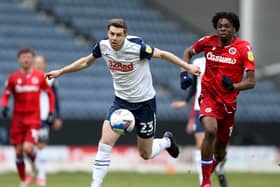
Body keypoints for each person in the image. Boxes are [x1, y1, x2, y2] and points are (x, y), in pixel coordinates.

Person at [45, 18, 200, 187]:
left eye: (118, 35)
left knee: (145, 154)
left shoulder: (137, 47)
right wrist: (61, 71)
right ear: (108, 33)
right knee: (104, 144)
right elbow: (85, 61)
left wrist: (188, 67)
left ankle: (167, 141)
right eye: (111, 34)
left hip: (145, 104)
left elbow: (162, 54)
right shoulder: (103, 46)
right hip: (121, 103)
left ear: (125, 35)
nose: (114, 38)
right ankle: (95, 185)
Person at [182, 12, 256, 187]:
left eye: (227, 26)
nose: (222, 29)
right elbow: (188, 52)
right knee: (210, 130)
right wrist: (184, 73)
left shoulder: (244, 48)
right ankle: (206, 181)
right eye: (220, 26)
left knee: (221, 152)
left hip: (228, 105)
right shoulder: (207, 41)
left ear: (234, 29)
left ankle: (216, 167)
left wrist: (234, 86)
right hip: (208, 97)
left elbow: (251, 82)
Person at [1, 48, 55, 187]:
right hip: (17, 119)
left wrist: (50, 111)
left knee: (28, 149)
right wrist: (5, 105)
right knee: (18, 152)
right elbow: (6, 94)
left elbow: (50, 94)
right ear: (19, 59)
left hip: (33, 118)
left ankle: (35, 166)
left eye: (29, 57)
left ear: (32, 60)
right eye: (23, 57)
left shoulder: (39, 77)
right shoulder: (13, 77)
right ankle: (24, 179)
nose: (26, 60)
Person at [171, 57, 228, 187]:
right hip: (200, 107)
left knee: (218, 149)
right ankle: (203, 181)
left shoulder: (226, 60)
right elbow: (195, 88)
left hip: (219, 108)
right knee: (200, 144)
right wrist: (186, 101)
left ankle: (218, 168)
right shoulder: (198, 62)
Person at [26, 55, 63, 186]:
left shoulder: (50, 80)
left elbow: (56, 99)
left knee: (41, 146)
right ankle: (33, 171)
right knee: (28, 148)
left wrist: (57, 116)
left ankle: (42, 176)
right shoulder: (28, 78)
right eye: (36, 62)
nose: (38, 65)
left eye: (40, 63)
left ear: (45, 65)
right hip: (29, 117)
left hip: (43, 117)